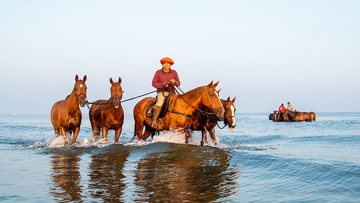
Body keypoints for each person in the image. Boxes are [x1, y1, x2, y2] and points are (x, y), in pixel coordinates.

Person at [151, 57, 181, 128]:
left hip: (172, 92)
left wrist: (175, 82)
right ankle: (154, 121)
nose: (166, 65)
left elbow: (178, 83)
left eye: (168, 63)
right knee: (159, 103)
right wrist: (162, 84)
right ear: (162, 64)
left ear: (170, 65)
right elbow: (153, 83)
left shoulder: (174, 72)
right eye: (164, 63)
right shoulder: (158, 72)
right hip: (162, 92)